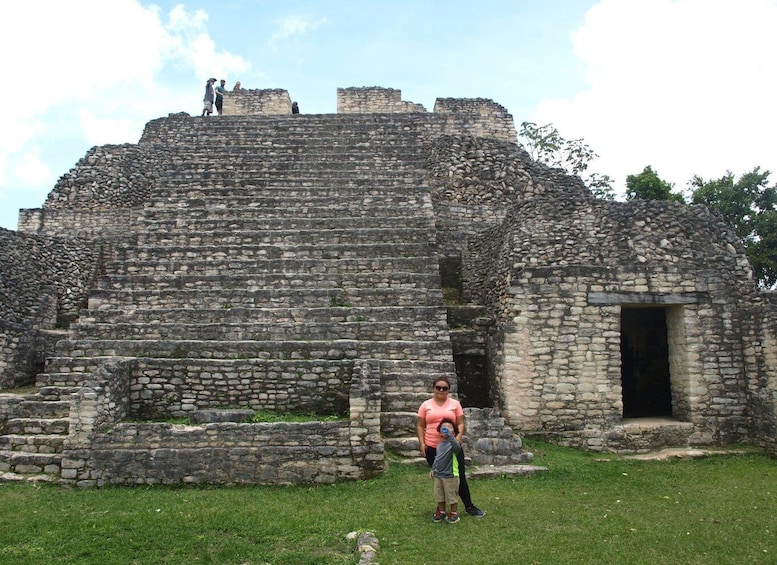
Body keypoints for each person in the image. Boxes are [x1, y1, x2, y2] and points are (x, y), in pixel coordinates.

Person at [417, 375, 486, 517]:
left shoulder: (454, 404)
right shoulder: (426, 405)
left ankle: (469, 506)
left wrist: (458, 437)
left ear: (449, 390)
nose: (441, 390)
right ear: (433, 389)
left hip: (452, 447)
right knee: (439, 477)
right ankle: (441, 509)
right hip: (432, 446)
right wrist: (422, 443)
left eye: (445, 388)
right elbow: (420, 424)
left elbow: (460, 423)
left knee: (458, 476)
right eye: (438, 387)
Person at [429, 418, 462, 523]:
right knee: (439, 494)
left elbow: (457, 448)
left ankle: (453, 513)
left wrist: (451, 436)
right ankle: (441, 512)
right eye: (444, 427)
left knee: (451, 495)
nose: (446, 429)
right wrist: (433, 469)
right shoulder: (439, 445)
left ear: (454, 431)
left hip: (450, 475)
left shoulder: (454, 444)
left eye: (449, 427)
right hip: (439, 474)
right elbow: (437, 458)